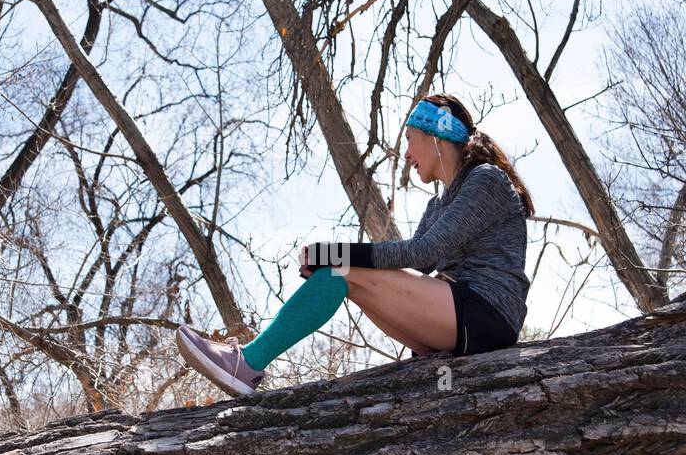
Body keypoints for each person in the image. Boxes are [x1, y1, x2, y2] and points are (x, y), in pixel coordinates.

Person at [176, 93, 534, 398]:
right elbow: (420, 267)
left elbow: (424, 253)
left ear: (436, 136)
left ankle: (248, 362)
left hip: (487, 316)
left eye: (410, 139)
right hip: (458, 321)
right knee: (338, 276)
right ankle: (247, 363)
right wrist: (336, 263)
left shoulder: (485, 180)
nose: (407, 155)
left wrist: (336, 254)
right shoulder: (438, 204)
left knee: (340, 268)